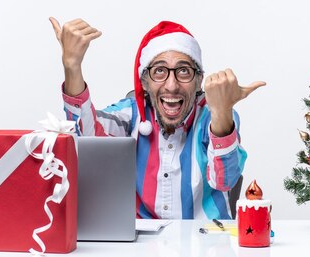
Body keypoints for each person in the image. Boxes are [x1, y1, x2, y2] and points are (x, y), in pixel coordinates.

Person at [49, 17, 265, 219]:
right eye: (160, 71)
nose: (171, 85)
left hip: (205, 245)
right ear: (144, 82)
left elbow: (224, 180)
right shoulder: (131, 115)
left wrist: (221, 112)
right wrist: (72, 67)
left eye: (183, 71)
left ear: (199, 81)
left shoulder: (216, 116)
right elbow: (85, 139)